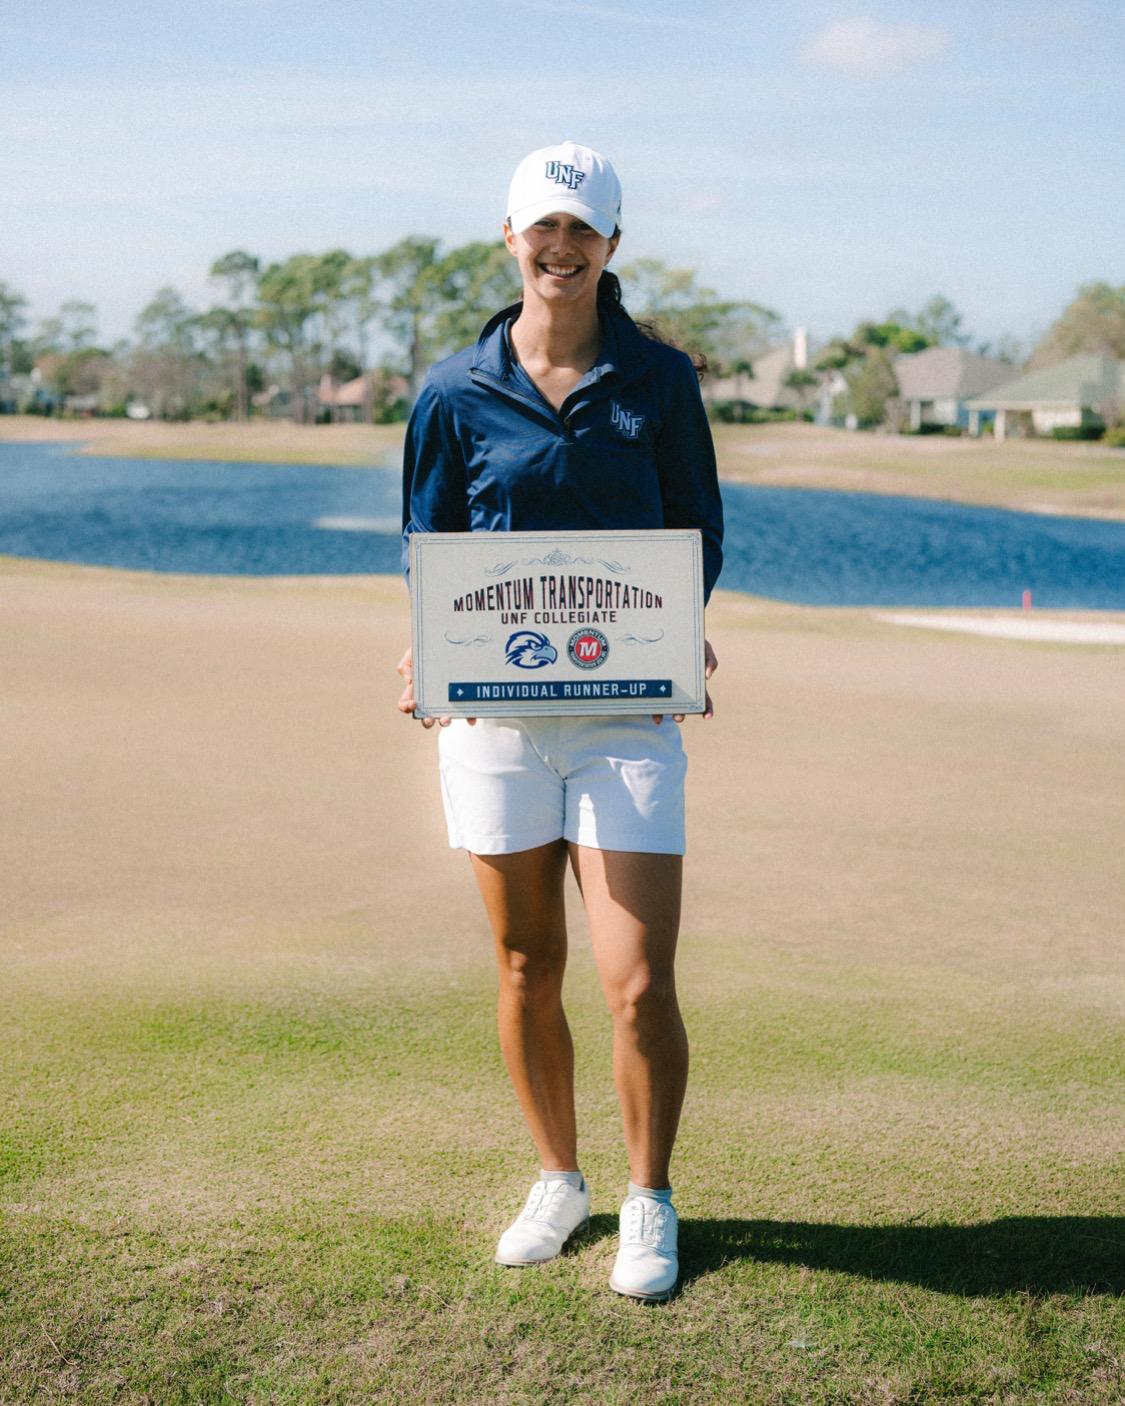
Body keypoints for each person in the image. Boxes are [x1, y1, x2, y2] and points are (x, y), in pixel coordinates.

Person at [397, 140, 723, 1302]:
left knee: (638, 979)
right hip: (494, 722)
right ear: (510, 238)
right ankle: (558, 1177)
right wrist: (429, 650)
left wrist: (683, 623)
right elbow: (427, 542)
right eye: (543, 227)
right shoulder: (450, 390)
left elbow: (698, 529)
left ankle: (648, 1195)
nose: (561, 247)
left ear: (613, 246)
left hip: (627, 716)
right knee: (528, 959)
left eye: (583, 229)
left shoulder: (661, 382)